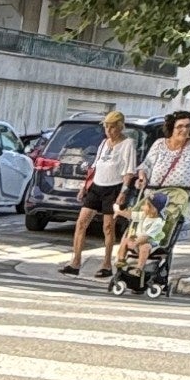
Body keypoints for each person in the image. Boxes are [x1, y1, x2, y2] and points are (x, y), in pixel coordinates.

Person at [113, 108, 190, 284]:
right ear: (172, 128)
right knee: (135, 228)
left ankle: (155, 273)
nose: (184, 130)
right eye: (180, 126)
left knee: (166, 236)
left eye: (188, 126)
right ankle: (127, 267)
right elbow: (146, 166)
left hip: (177, 200)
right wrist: (142, 177)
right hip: (152, 197)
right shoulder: (159, 144)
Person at [59, 108, 136, 277]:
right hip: (97, 186)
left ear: (120, 127)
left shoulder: (127, 144)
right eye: (106, 127)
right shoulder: (104, 143)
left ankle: (106, 265)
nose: (109, 130)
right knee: (81, 223)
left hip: (113, 187)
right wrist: (84, 187)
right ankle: (75, 262)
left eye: (112, 127)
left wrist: (123, 192)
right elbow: (95, 166)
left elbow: (129, 171)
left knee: (108, 227)